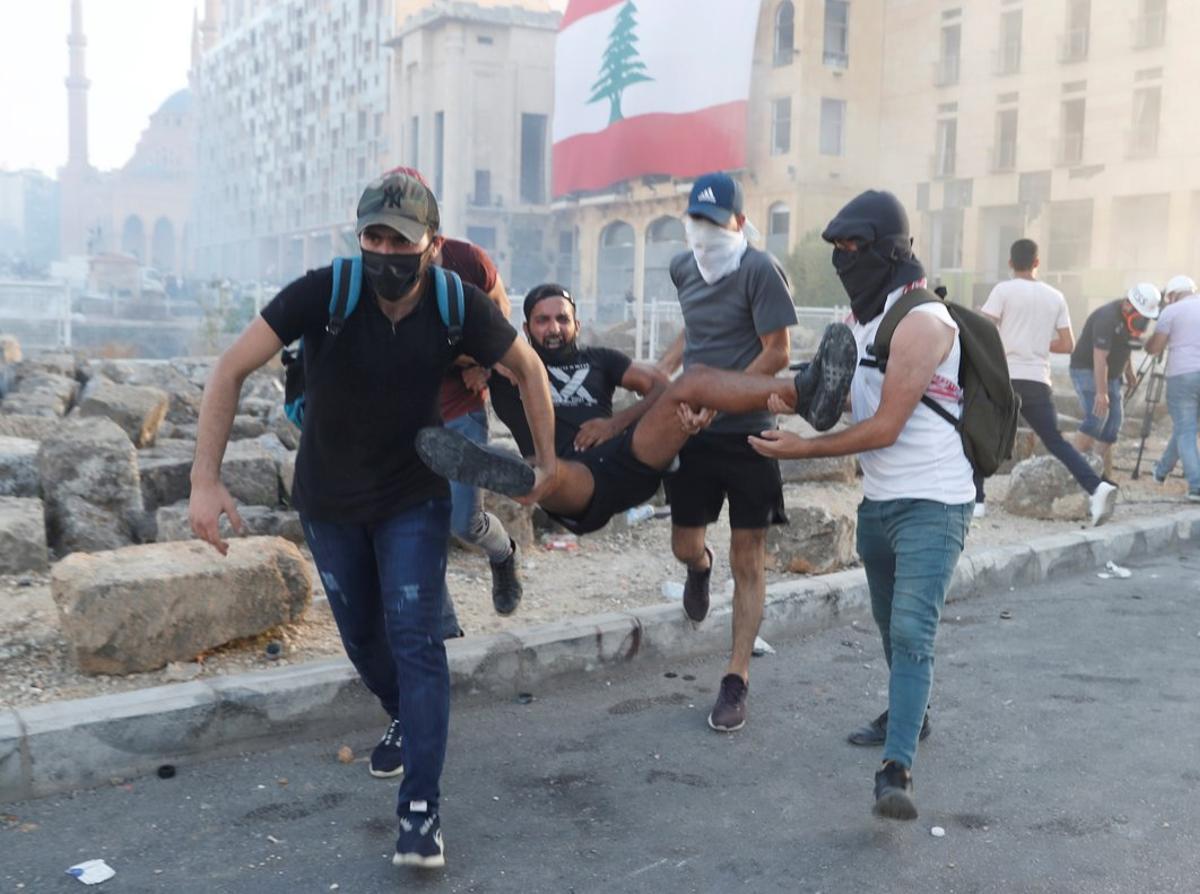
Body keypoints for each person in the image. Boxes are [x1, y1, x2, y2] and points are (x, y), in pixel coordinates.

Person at [188, 170, 558, 870]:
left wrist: (548, 464)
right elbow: (229, 369)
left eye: (402, 239)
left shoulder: (457, 300)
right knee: (362, 639)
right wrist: (204, 481)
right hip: (328, 499)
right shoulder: (325, 292)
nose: (386, 251)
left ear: (433, 244)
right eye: (374, 236)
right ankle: (404, 714)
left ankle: (422, 807)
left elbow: (529, 370)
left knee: (417, 639)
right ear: (359, 236)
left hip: (411, 494)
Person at [748, 190, 974, 821]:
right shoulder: (859, 323)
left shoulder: (925, 322)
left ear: (890, 250)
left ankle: (896, 770)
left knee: (910, 630)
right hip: (879, 502)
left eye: (855, 248)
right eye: (838, 250)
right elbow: (838, 395)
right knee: (887, 626)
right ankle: (913, 713)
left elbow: (885, 427)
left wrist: (797, 452)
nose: (846, 260)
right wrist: (736, 397)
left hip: (935, 499)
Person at [420, 295, 857, 541]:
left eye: (562, 319)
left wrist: (616, 422)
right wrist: (481, 361)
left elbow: (661, 388)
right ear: (527, 326)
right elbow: (436, 351)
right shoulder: (510, 367)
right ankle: (502, 469)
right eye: (542, 321)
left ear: (577, 322)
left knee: (696, 380)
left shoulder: (602, 358)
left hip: (631, 457)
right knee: (543, 476)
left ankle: (807, 393)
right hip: (573, 481)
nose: (553, 328)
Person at [653, 172, 800, 734]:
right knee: (684, 543)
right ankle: (699, 568)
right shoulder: (682, 266)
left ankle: (735, 678)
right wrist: (665, 375)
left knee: (749, 558)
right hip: (692, 426)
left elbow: (777, 351)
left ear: (738, 222)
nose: (703, 230)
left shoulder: (760, 270)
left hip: (750, 431)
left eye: (715, 221)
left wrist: (719, 397)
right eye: (696, 219)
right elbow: (695, 330)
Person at [976, 239, 1117, 525]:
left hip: (1004, 378)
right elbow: (1068, 344)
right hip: (1038, 379)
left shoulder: (1003, 290)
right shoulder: (1055, 296)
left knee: (981, 434)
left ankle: (977, 500)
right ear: (1037, 263)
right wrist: (1037, 342)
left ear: (1010, 263)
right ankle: (1097, 486)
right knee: (1055, 441)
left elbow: (983, 330)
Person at [1069, 284, 1161, 477]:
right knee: (1097, 416)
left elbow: (1125, 345)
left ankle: (1093, 468)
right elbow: (1099, 357)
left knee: (1114, 424)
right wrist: (1101, 393)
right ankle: (1070, 468)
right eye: (1141, 318)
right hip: (1087, 369)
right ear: (1128, 305)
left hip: (1112, 374)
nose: (1142, 324)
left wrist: (1129, 370)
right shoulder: (1106, 318)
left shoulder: (1130, 320)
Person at [1145, 274, 1200, 500]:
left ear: (1173, 294)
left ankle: (1196, 485)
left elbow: (1155, 348)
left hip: (1183, 375)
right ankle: (1161, 471)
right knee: (1185, 428)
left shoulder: (1171, 311)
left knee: (1186, 430)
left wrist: (1149, 341)